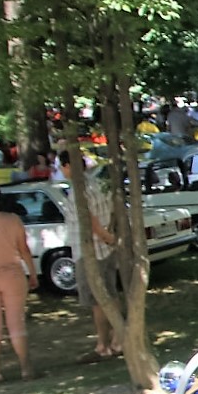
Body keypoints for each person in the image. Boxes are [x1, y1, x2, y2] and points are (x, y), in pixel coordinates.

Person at [60, 151, 122, 362]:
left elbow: (90, 221)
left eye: (62, 167)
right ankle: (116, 339)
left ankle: (104, 344)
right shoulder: (98, 184)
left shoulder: (80, 191)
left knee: (97, 300)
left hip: (90, 252)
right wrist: (110, 237)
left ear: (68, 166)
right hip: (105, 249)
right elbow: (112, 211)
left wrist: (106, 237)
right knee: (110, 295)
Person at [0, 187, 38, 380]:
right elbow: (24, 250)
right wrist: (32, 273)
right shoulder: (13, 219)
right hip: (12, 273)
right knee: (16, 323)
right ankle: (26, 368)